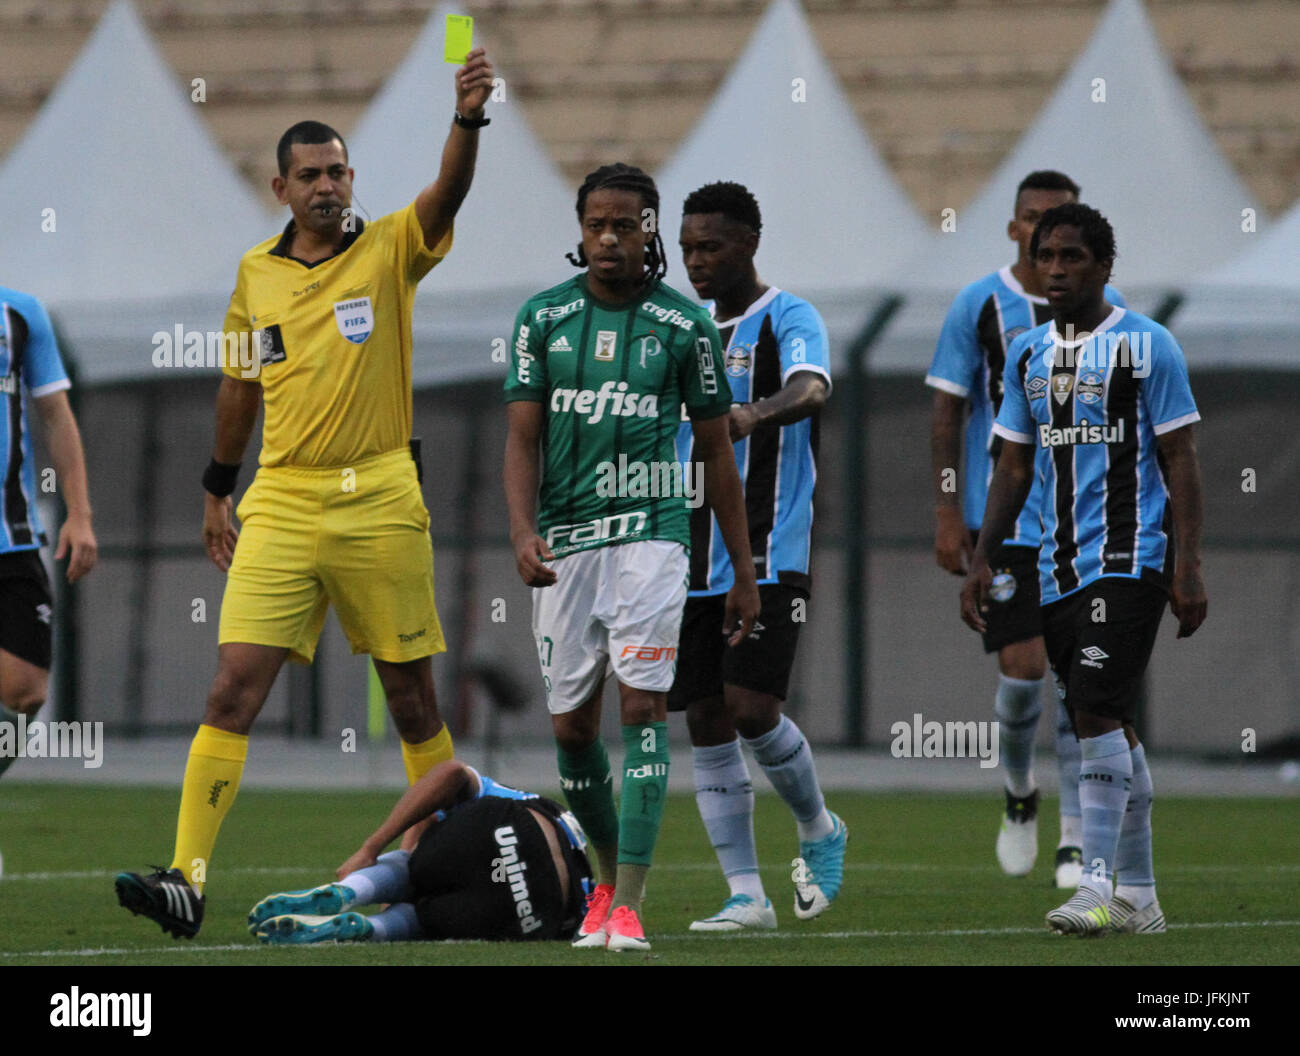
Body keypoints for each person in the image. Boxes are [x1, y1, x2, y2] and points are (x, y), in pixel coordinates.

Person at [115, 49, 496, 940]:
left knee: (411, 702)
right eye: (311, 175)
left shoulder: (391, 245)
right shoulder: (256, 275)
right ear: (280, 188)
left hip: (379, 496)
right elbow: (240, 387)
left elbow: (447, 195)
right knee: (229, 693)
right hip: (281, 499)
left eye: (338, 171)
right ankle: (188, 879)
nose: (328, 186)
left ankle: (430, 871)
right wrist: (217, 489)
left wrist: (467, 118)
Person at [503, 163, 760, 952]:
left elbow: (717, 454)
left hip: (652, 537)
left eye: (626, 225)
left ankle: (631, 905)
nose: (610, 238)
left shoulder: (685, 329)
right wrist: (521, 531)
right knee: (572, 730)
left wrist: (743, 571)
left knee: (644, 708)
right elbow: (522, 438)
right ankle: (605, 885)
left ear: (650, 232)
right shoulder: (541, 320)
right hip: (567, 546)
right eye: (596, 225)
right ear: (580, 233)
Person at [962, 203, 1206, 935]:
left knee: (1095, 711)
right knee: (1110, 724)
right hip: (1055, 565)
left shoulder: (1146, 345)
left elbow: (1181, 459)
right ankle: (1142, 894)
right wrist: (982, 560)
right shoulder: (1031, 355)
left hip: (1131, 559)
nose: (1058, 270)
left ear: (1105, 267)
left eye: (1074, 258)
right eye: (1047, 258)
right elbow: (1012, 462)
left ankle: (1094, 884)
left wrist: (1187, 566)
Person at [928, 171, 1125, 887]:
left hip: (1087, 521)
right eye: (1035, 222)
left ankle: (1075, 832)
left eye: (1062, 222)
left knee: (1081, 681)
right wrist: (950, 508)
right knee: (1023, 675)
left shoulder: (1116, 317)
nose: (1048, 236)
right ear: (1016, 229)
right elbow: (947, 412)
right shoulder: (981, 305)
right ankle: (1019, 793)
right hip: (1006, 518)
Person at [667, 182, 844, 932]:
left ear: (748, 244)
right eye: (688, 248)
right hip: (683, 554)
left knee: (752, 707)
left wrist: (754, 412)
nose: (697, 261)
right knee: (705, 715)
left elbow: (811, 388)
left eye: (711, 246)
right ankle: (746, 894)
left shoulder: (788, 317)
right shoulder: (675, 327)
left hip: (770, 550)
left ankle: (819, 827)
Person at [248, 759, 593, 943]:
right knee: (425, 922)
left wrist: (371, 849)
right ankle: (371, 929)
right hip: (539, 909)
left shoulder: (488, 800)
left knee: (412, 870)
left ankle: (350, 891)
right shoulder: (516, 799)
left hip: (504, 827)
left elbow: (451, 772)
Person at [0, 287, 98, 794]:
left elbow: (56, 415)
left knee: (24, 692)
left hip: (10, 535)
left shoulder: (20, 312)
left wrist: (79, 514)